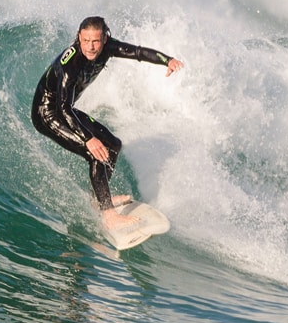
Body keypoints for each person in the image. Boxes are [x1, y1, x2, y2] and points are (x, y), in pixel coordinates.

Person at [31, 16, 184, 229]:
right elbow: (63, 109)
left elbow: (138, 52)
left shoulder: (107, 48)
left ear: (104, 38)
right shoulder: (69, 65)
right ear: (79, 37)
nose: (91, 47)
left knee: (113, 145)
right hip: (48, 115)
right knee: (97, 152)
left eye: (95, 41)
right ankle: (109, 215)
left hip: (66, 111)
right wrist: (88, 139)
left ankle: (98, 200)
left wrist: (167, 60)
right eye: (85, 41)